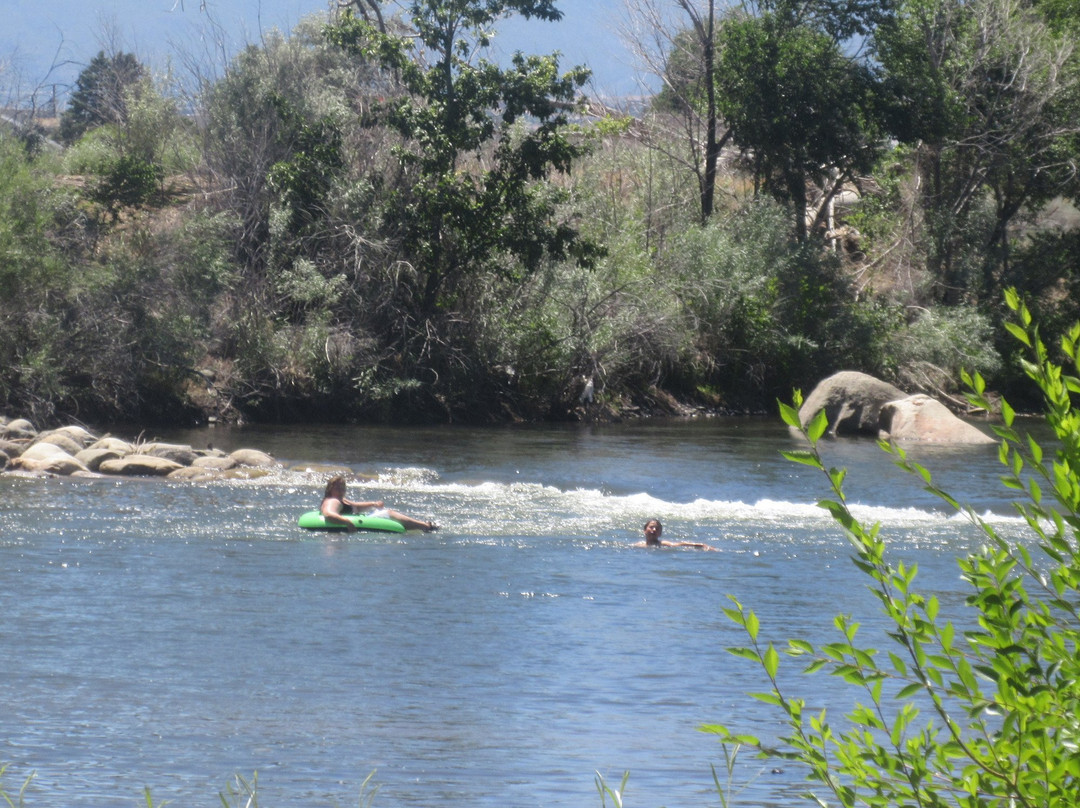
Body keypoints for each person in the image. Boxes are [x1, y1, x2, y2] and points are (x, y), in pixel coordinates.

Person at [320, 475, 438, 532]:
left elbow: (355, 506)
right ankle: (424, 526)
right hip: (347, 526)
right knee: (389, 513)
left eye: (343, 488)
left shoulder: (341, 499)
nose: (341, 491)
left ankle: (421, 526)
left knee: (381, 512)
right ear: (330, 489)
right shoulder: (332, 501)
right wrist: (347, 523)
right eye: (338, 488)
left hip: (354, 521)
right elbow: (329, 514)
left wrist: (373, 504)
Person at [634, 518, 717, 550]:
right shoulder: (638, 545)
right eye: (651, 527)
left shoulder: (663, 544)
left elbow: (680, 544)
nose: (654, 530)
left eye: (657, 528)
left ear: (660, 534)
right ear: (644, 530)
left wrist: (702, 545)